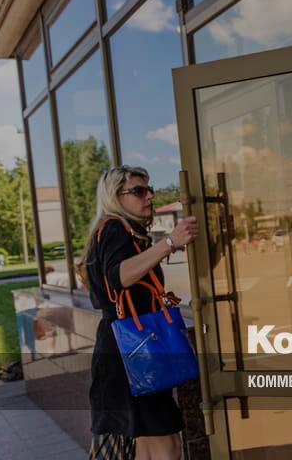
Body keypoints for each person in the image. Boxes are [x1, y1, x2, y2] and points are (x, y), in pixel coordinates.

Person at [76, 166, 198, 460]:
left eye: (149, 189)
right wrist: (169, 243)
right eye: (139, 191)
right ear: (115, 197)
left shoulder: (118, 232)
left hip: (130, 352)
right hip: (133, 355)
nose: (149, 196)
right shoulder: (114, 229)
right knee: (167, 446)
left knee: (149, 446)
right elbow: (119, 277)